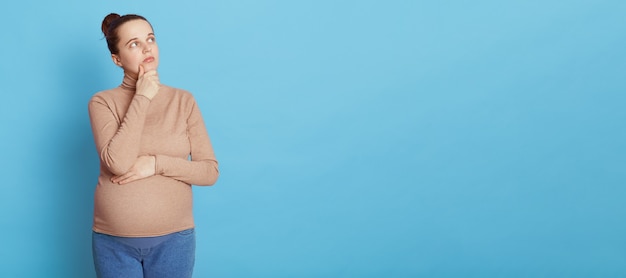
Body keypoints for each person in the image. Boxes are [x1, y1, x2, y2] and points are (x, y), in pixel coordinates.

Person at [88, 13, 219, 278]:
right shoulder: (102, 102)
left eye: (150, 39)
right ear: (117, 59)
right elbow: (118, 162)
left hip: (174, 242)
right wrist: (143, 95)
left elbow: (209, 172)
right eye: (134, 44)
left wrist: (156, 164)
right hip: (113, 243)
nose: (147, 47)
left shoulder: (183, 101)